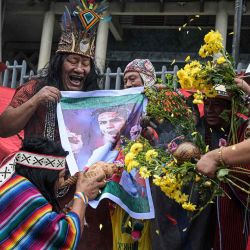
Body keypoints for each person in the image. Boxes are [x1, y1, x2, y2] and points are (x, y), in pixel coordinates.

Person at [0, 2, 114, 249]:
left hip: (78, 189)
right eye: (73, 61)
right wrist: (35, 101)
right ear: (60, 61)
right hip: (34, 188)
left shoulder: (94, 100)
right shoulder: (34, 89)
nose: (79, 69)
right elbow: (4, 127)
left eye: (85, 64)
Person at [0, 137, 107, 249]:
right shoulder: (23, 196)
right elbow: (65, 237)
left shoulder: (8, 184)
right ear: (45, 176)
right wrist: (82, 195)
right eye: (61, 176)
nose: (62, 182)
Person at [196, 77, 250, 250]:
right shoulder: (199, 130)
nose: (210, 110)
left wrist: (219, 165)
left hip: (235, 215)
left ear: (231, 108)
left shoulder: (242, 130)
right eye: (207, 104)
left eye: (217, 105)